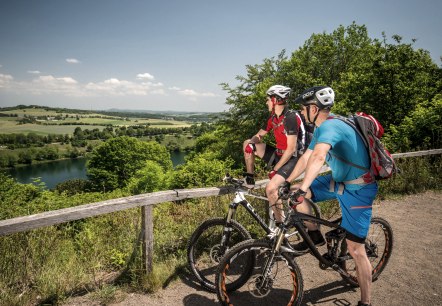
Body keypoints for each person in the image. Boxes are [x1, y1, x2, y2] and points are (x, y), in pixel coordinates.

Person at [280, 86, 377, 306]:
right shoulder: (323, 127)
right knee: (296, 194)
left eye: (304, 109)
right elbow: (306, 157)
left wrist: (305, 187)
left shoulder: (331, 127)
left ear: (313, 108)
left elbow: (319, 158)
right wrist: (287, 182)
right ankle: (315, 235)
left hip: (358, 190)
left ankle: (366, 301)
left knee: (356, 249)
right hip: (339, 181)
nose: (302, 114)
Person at [243, 85, 311, 224]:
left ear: (275, 100)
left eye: (268, 99)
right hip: (279, 155)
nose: (266, 102)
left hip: (294, 159)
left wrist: (275, 170)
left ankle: (281, 227)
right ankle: (250, 177)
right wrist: (252, 144)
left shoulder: (290, 117)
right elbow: (259, 135)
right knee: (247, 143)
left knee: (271, 188)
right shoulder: (273, 117)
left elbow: (291, 149)